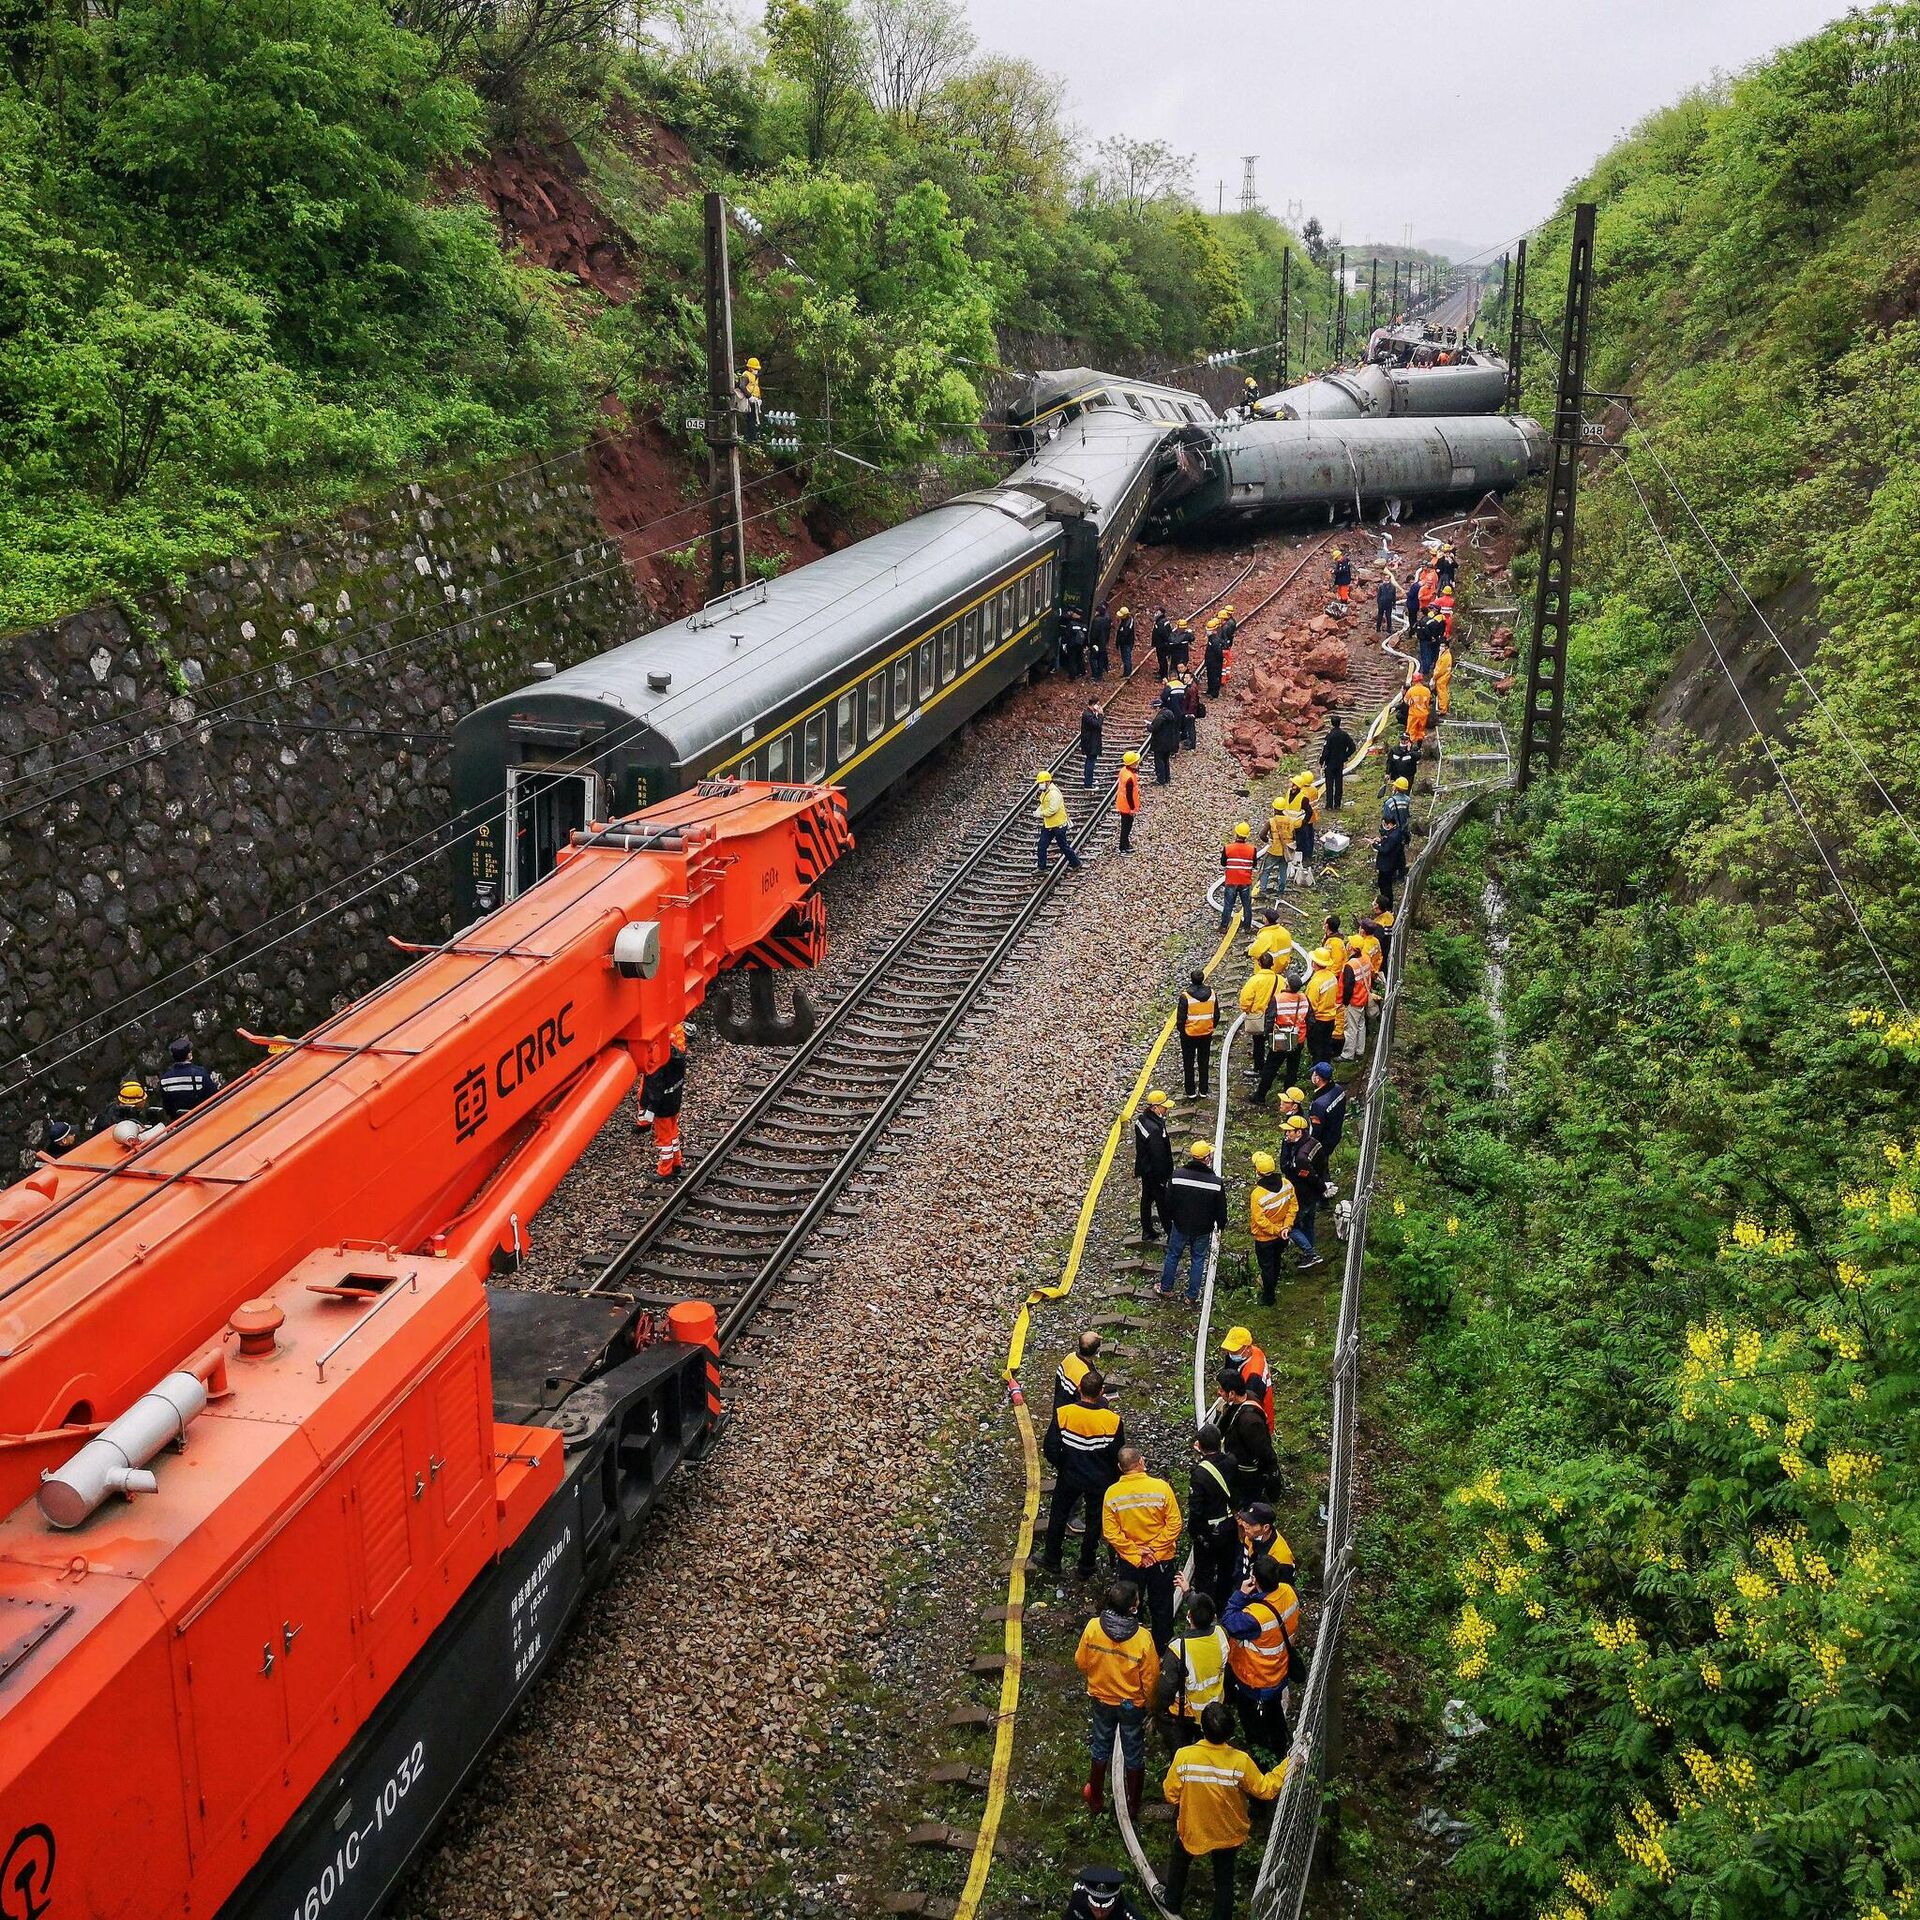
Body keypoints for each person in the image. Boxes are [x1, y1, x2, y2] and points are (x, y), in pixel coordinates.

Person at [1162, 1702, 1296, 1920]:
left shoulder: (1184, 1756)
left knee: (1180, 1859)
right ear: (1231, 1733)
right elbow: (1265, 1789)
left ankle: (1172, 1900)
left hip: (1194, 1828)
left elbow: (1171, 1794)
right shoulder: (1239, 1761)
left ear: (1203, 1729)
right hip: (1228, 1831)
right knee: (1224, 1879)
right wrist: (1290, 1763)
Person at [1074, 1579, 1160, 1818]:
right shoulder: (1143, 1638)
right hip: (1131, 1704)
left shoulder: (1093, 1628)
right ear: (1133, 1608)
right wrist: (1151, 1706)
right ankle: (1133, 1805)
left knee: (1100, 1745)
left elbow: (1080, 1662)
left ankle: (1095, 1797)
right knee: (1133, 1752)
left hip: (1101, 1699)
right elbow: (1151, 1680)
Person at [1043, 1368, 1125, 1581]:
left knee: (1059, 1515)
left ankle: (1052, 1559)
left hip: (1070, 1476)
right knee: (1094, 1522)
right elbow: (1118, 1454)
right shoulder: (1112, 1421)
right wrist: (1110, 1476)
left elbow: (1050, 1447)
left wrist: (1063, 1465)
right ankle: (1086, 1565)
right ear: (1101, 1393)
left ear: (1079, 1389)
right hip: (1099, 1480)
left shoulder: (1064, 1414)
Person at [1224, 1556, 1303, 1762]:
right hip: (1279, 1668)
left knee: (1253, 1722)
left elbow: (1229, 1622)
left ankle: (1261, 1757)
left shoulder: (1255, 1616)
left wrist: (1240, 1594)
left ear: (1256, 1581)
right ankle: (1280, 1746)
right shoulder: (1288, 1592)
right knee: (1275, 1712)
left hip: (1255, 1677)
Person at [1103, 1445, 1183, 1648]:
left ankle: (1132, 1646)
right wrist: (1154, 1550)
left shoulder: (1112, 1494)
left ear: (1121, 1468)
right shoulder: (1161, 1488)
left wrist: (1137, 1553)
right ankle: (1162, 1649)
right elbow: (1174, 1523)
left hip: (1131, 1563)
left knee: (1128, 1605)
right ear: (1140, 1462)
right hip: (1161, 1559)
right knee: (1162, 1606)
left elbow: (1111, 1532)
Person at [1161, 1140, 1227, 1305]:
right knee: (1198, 1259)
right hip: (1203, 1228)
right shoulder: (1216, 1183)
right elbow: (1221, 1208)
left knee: (1173, 1255)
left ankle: (1166, 1288)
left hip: (1181, 1225)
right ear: (1206, 1159)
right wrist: (1221, 1224)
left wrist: (1171, 1220)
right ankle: (1191, 1296)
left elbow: (1167, 1202)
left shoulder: (1177, 1176)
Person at [1159, 1591, 1232, 1738]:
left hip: (1188, 1712)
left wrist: (1162, 1706)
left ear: (1189, 1617)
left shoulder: (1178, 1648)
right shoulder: (1221, 1633)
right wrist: (1188, 1594)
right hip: (1216, 1704)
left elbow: (1166, 1688)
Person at [1187, 1427, 1238, 1602]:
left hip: (1209, 1531)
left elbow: (1196, 1509)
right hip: (1230, 1526)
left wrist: (1195, 1533)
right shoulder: (1231, 1462)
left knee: (1205, 1573)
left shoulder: (1199, 1474)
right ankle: (1224, 1604)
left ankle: (1205, 1607)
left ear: (1199, 1445)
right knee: (1227, 1570)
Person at [1217, 1372, 1277, 1508]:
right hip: (1238, 1464)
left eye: (1221, 1390)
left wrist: (1267, 1471)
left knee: (1246, 1501)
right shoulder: (1248, 1396)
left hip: (1246, 1472)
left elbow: (1263, 1451)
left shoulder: (1249, 1422)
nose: (1219, 1392)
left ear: (1232, 1393)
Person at [637, 1024, 688, 1178]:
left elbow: (654, 1088)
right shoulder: (677, 1055)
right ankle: (677, 1163)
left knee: (664, 1139)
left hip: (663, 1107)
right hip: (674, 1102)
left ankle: (664, 1171)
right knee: (673, 1134)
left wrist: (650, 1108)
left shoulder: (657, 1062)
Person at [1247, 1153, 1298, 1307]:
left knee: (1267, 1267)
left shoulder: (1258, 1194)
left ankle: (1268, 1297)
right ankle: (1272, 1283)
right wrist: (1286, 1227)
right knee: (1276, 1261)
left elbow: (1260, 1220)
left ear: (1258, 1171)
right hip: (1282, 1235)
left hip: (1265, 1239)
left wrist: (1276, 1230)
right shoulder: (1287, 1184)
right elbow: (1293, 1207)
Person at [1279, 1118, 1327, 1269]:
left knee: (1290, 1226)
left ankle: (1310, 1253)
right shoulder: (1313, 1142)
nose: (1286, 1134)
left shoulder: (1301, 1157)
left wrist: (1322, 1189)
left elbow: (1307, 1175)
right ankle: (1309, 1252)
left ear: (1299, 1132)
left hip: (1303, 1195)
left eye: (1289, 1131)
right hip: (1312, 1194)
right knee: (1309, 1223)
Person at [1258, 973, 1308, 1104]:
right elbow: (1310, 1019)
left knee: (1270, 1067)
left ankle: (1260, 1095)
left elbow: (1269, 1020)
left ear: (1288, 985)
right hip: (1298, 1038)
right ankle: (1289, 1095)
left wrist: (1267, 1036)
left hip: (1281, 1038)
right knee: (1292, 1068)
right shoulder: (1304, 998)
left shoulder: (1278, 999)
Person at [1133, 1088, 1174, 1241]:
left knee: (1146, 1199)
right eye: (1164, 1106)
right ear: (1155, 1107)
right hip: (1156, 1173)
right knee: (1162, 1203)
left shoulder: (1142, 1120)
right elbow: (1159, 1156)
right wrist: (1164, 1177)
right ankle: (1170, 1232)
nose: (1167, 1109)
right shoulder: (1155, 1129)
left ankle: (1147, 1230)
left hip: (1145, 1168)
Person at [1238, 954, 1281, 1093]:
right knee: (1275, 1041)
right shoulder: (1279, 979)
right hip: (1276, 1016)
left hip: (1259, 1016)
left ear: (1260, 964)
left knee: (1258, 1042)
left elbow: (1245, 999)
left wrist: (1248, 1010)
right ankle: (1273, 1067)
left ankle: (1259, 1067)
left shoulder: (1255, 980)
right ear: (1272, 964)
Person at [1232, 1504, 1296, 1590]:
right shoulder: (1250, 1536)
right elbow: (1240, 1563)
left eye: (1251, 1524)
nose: (1246, 1526)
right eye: (1246, 1521)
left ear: (1265, 1527)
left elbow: (1283, 1590)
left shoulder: (1282, 1557)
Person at [157, 1036, 221, 1120]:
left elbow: (167, 1106)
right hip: (200, 1119)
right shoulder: (200, 1074)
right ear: (189, 1055)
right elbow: (214, 1097)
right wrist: (216, 1084)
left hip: (177, 1122)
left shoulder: (165, 1079)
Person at [1177, 969, 1218, 1098]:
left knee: (1188, 1062)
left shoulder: (1186, 996)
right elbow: (1216, 1014)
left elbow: (1180, 1018)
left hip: (1189, 1034)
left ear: (1191, 979)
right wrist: (1210, 1026)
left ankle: (1190, 1091)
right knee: (1204, 1061)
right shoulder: (1212, 994)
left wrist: (1182, 1031)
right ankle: (1204, 1090)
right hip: (1206, 1032)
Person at [1220, 1325, 1273, 1425]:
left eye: (1234, 1351)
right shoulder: (1237, 1354)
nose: (1231, 1353)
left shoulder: (1254, 1375)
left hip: (1256, 1415)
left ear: (1247, 1349)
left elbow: (1248, 1405)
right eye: (1229, 1350)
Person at [1035, 769, 1082, 873]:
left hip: (1059, 825)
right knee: (1042, 845)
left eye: (1041, 783)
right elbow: (1043, 804)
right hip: (1049, 824)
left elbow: (1053, 809)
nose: (1040, 785)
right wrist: (1039, 810)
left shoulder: (1054, 793)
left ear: (1047, 782)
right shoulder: (1045, 792)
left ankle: (1076, 863)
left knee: (1063, 846)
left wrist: (1041, 813)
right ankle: (1041, 867)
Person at [1062, 1865, 1149, 1920]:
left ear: (1116, 1899)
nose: (1099, 1915)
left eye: (1106, 1909)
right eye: (1095, 1908)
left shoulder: (1128, 1915)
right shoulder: (1079, 1896)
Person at [1303, 947, 1340, 1067]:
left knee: (1316, 1049)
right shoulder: (1332, 977)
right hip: (1331, 1018)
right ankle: (1326, 1068)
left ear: (1315, 964)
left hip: (1318, 1020)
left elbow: (1310, 1004)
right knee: (1325, 1046)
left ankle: (1317, 1073)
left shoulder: (1315, 982)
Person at [1341, 936, 1374, 1063]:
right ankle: (1360, 1050)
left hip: (1354, 1000)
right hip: (1363, 997)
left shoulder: (1351, 965)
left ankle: (1348, 1054)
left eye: (1349, 943)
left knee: (1350, 1028)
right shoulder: (1365, 958)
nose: (1347, 945)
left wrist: (1345, 1001)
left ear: (1353, 948)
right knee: (1361, 1025)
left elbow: (1348, 986)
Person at [1308, 1060, 1350, 1158]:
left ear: (1318, 1078)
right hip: (1335, 1133)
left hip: (1323, 1143)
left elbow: (1315, 1131)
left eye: (1314, 1074)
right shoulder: (1338, 1089)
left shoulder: (1319, 1105)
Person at [1219, 824, 1256, 933]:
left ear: (1236, 833)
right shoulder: (1252, 849)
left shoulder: (1228, 848)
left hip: (1231, 881)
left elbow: (1223, 863)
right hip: (1245, 881)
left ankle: (1224, 926)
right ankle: (1247, 927)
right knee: (1246, 905)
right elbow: (1254, 864)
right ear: (1247, 836)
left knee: (1228, 905)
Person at [1057, 1329, 1106, 1409]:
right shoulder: (1087, 1376)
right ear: (1097, 1351)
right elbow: (1087, 1403)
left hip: (1060, 1407)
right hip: (1072, 1414)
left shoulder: (1070, 1357)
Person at [1257, 798, 1292, 905]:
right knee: (1283, 872)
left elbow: (1262, 835)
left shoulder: (1271, 821)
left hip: (1274, 850)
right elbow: (1294, 835)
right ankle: (1280, 892)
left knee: (1266, 870)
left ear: (1274, 808)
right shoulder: (1290, 821)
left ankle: (1262, 890)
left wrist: (1268, 841)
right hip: (1286, 851)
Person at [1319, 713, 1354, 812]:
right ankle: (1337, 804)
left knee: (1329, 784)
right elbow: (1352, 747)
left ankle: (1329, 805)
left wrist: (1321, 761)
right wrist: (1345, 756)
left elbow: (1325, 750)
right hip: (1339, 763)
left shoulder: (1329, 736)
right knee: (1339, 783)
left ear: (1332, 723)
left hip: (1330, 763)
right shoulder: (1344, 735)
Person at [1375, 816, 1409, 910]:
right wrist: (1381, 841)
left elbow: (1385, 849)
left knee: (1385, 886)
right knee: (1383, 884)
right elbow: (1388, 844)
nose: (1384, 826)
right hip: (1390, 864)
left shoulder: (1393, 836)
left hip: (1387, 865)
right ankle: (1385, 905)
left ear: (1390, 824)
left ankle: (1387, 906)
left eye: (1385, 824)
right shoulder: (1395, 832)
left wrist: (1374, 844)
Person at [1148, 699, 1180, 785]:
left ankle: (1160, 779)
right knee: (1166, 760)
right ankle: (1167, 777)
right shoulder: (1170, 713)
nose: (1154, 710)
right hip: (1169, 741)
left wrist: (1149, 726)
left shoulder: (1161, 716)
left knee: (1159, 760)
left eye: (1155, 708)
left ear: (1158, 707)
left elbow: (1154, 728)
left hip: (1160, 742)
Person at [1115, 748, 1141, 851]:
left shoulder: (1124, 770)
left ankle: (1125, 844)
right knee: (1126, 826)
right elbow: (1129, 795)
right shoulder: (1129, 778)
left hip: (1122, 803)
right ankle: (1123, 847)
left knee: (1125, 825)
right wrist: (1132, 809)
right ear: (1132, 763)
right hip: (1127, 806)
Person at [734, 356, 762, 438]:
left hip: (755, 400)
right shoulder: (746, 375)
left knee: (754, 419)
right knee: (751, 419)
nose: (756, 371)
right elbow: (742, 386)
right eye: (755, 369)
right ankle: (750, 437)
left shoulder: (755, 376)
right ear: (750, 368)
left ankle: (754, 436)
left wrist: (759, 398)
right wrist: (749, 396)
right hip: (749, 400)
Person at [1081, 700, 1105, 789]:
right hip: (1090, 743)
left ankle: (1089, 780)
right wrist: (1101, 715)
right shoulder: (1087, 715)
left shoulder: (1090, 713)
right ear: (1093, 705)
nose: (1099, 706)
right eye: (1097, 704)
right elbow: (1098, 724)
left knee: (1090, 761)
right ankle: (1088, 784)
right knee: (1090, 762)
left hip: (1091, 742)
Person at [1405, 673, 1433, 750]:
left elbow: (1407, 701)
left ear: (1413, 680)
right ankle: (1418, 748)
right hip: (1424, 714)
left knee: (1411, 730)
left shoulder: (1411, 690)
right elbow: (1427, 703)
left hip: (1413, 714)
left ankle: (1408, 748)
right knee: (1421, 731)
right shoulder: (1427, 690)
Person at [1060, 609, 1088, 679]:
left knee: (1072, 659)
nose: (1073, 614)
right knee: (1080, 658)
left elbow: (1067, 635)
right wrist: (1085, 645)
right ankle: (1082, 672)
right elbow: (1086, 636)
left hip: (1072, 645)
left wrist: (1064, 643)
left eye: (1074, 613)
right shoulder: (1084, 625)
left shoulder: (1071, 624)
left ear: (1077, 615)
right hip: (1080, 645)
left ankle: (1072, 675)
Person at [1089, 601, 1112, 682]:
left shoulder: (1097, 621)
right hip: (1103, 642)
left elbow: (1094, 634)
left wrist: (1091, 643)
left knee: (1093, 659)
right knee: (1101, 658)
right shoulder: (1108, 618)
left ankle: (1095, 675)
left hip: (1096, 643)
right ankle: (1100, 674)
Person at [1203, 621, 1226, 698]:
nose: (1207, 631)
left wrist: (1218, 661)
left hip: (1215, 663)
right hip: (1211, 662)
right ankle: (1210, 690)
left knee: (1215, 677)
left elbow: (1218, 652)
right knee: (1210, 676)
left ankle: (1214, 693)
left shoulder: (1215, 640)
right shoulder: (1212, 638)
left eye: (1209, 630)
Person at [1433, 638, 1454, 720]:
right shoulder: (1444, 654)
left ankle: (1443, 709)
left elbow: (1440, 670)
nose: (1441, 647)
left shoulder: (1446, 657)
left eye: (1443, 646)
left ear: (1446, 647)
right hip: (1442, 677)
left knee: (1442, 693)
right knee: (1441, 692)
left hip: (1442, 677)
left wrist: (1434, 678)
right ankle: (1442, 707)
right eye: (1440, 646)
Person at [1180, 676, 1201, 751]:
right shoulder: (1191, 687)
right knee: (1190, 727)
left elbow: (1193, 701)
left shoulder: (1191, 689)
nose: (1184, 679)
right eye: (1184, 678)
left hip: (1189, 711)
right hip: (1189, 710)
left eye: (1186, 678)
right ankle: (1190, 741)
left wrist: (1190, 712)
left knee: (1190, 728)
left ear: (1191, 679)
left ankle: (1192, 743)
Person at [1152, 608, 1174, 678]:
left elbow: (1163, 633)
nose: (1156, 613)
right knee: (1161, 659)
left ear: (1161, 613)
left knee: (1162, 659)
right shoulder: (1163, 620)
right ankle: (1161, 671)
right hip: (1162, 643)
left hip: (1162, 644)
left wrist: (1164, 643)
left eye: (1157, 612)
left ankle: (1163, 675)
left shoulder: (1161, 622)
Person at [1115, 605, 1137, 677]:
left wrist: (1119, 641)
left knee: (1126, 658)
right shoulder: (1125, 621)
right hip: (1123, 643)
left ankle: (1127, 673)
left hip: (1127, 643)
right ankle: (1126, 672)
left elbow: (1124, 634)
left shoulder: (1128, 623)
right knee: (1125, 658)